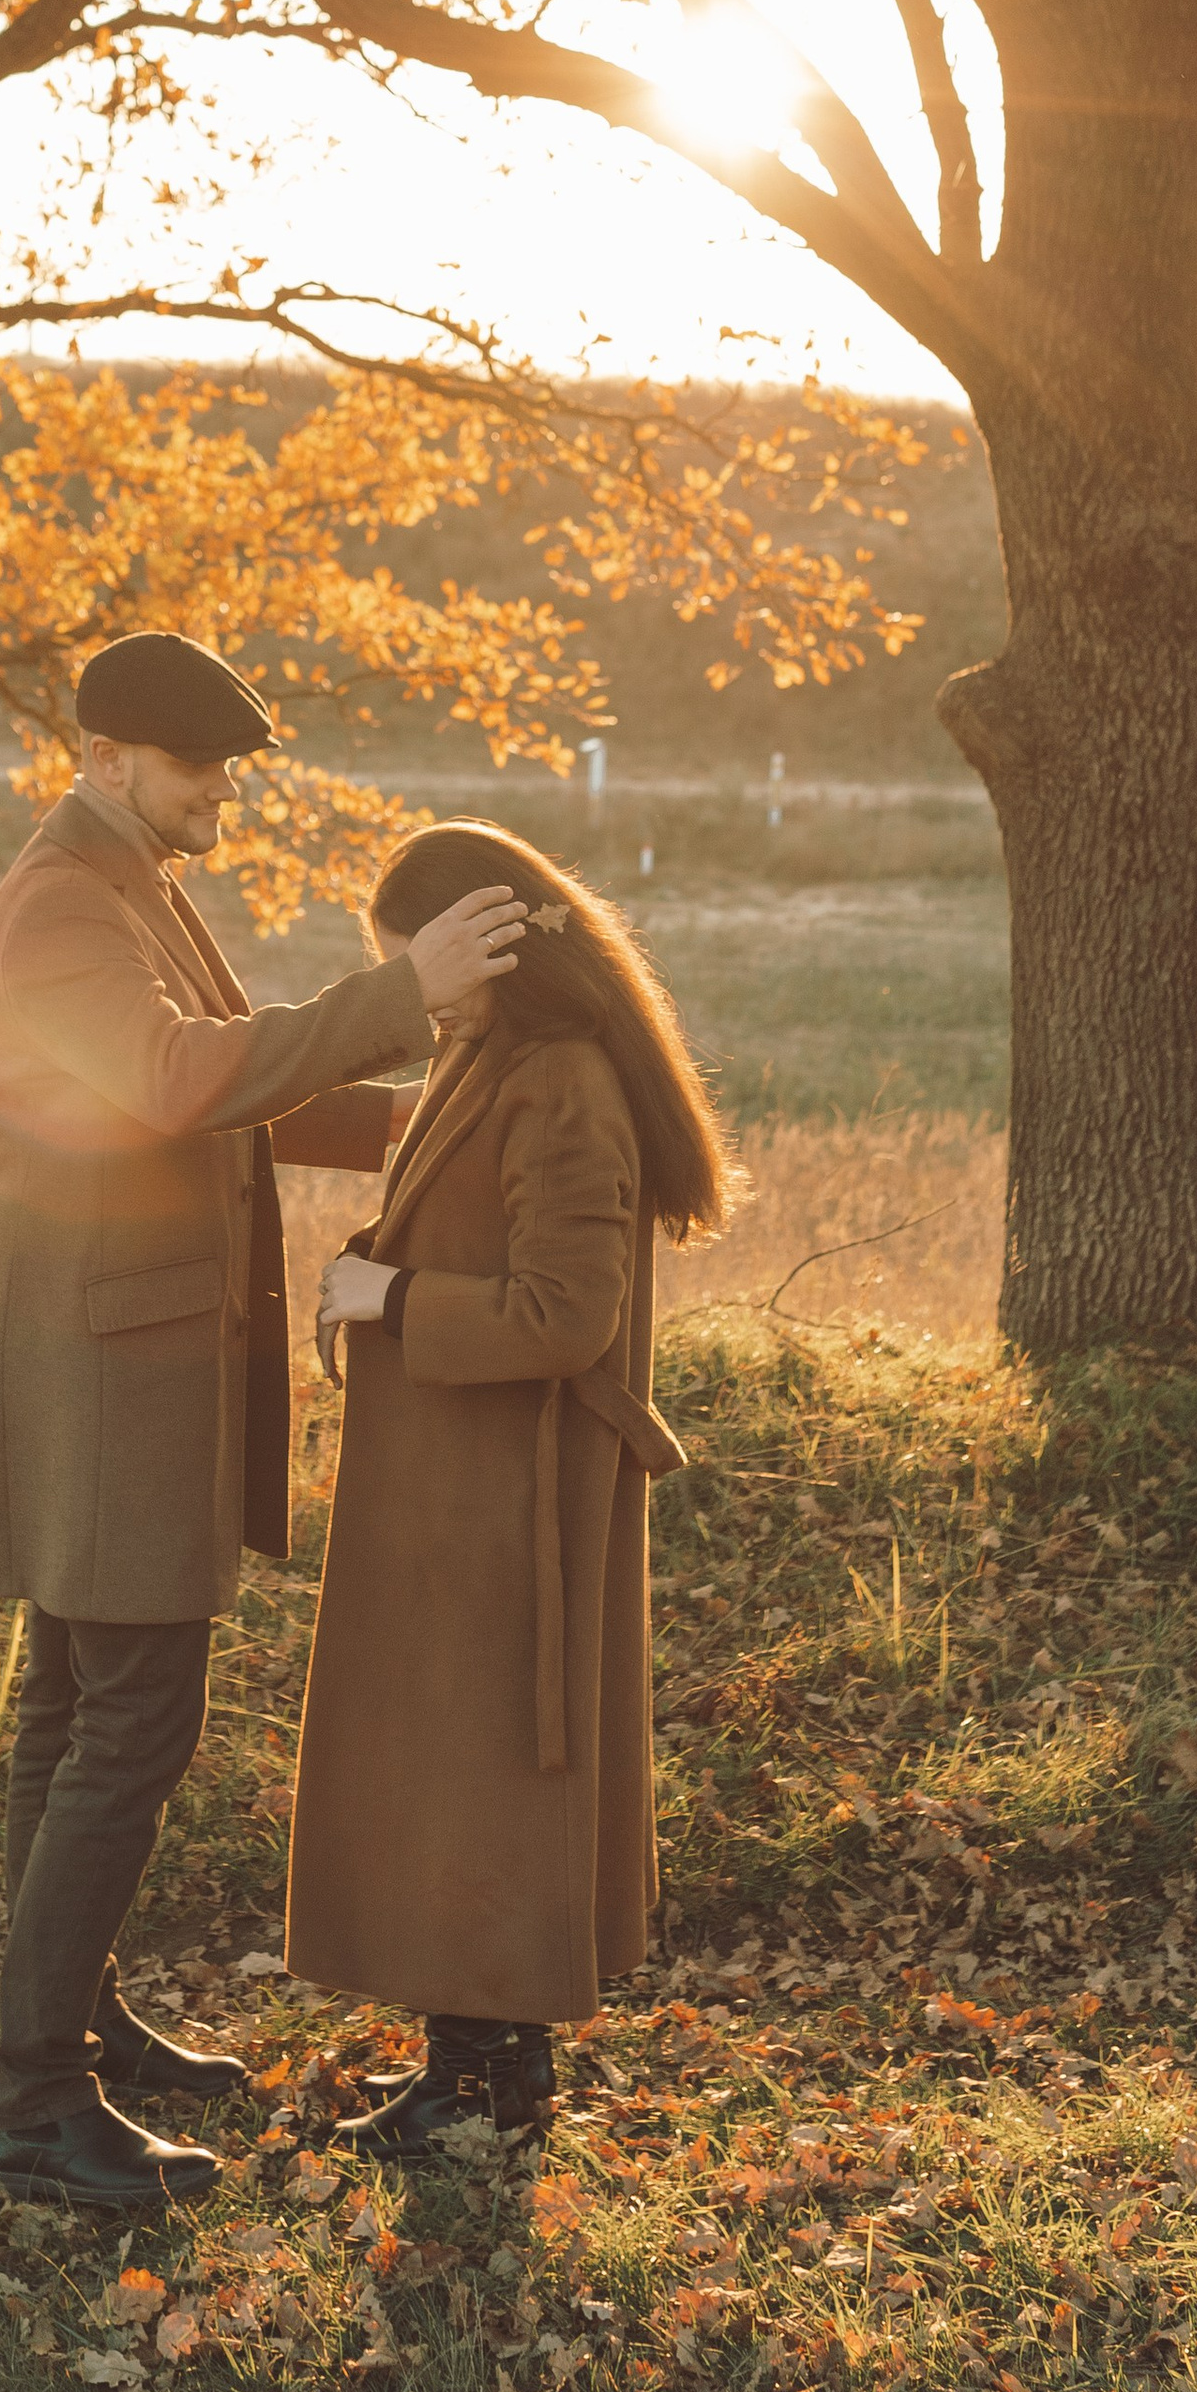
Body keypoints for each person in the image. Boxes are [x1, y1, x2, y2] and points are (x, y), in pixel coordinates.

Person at [0, 635, 531, 2215]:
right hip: (103, 1362)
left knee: (72, 1702)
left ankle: (71, 2022)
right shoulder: (70, 904)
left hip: (111, 1347)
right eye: (200, 768)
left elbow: (232, 1088)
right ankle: (33, 2102)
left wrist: (421, 1116)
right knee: (131, 1712)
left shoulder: (126, 875)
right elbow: (171, 1077)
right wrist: (401, 997)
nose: (221, 796)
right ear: (113, 754)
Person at [283, 818, 723, 2152]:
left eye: (420, 959)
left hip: (510, 1492)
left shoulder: (564, 1080)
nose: (418, 989)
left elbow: (566, 1311)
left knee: (484, 1772)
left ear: (486, 941)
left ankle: (489, 2087)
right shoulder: (491, 1056)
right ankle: (468, 2067)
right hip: (454, 1484)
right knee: (448, 1765)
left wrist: (390, 1291)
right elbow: (455, 1197)